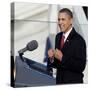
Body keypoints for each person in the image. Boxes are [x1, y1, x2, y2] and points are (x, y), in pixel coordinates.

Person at [47, 8, 86, 84]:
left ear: (71, 20)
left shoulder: (79, 40)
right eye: (59, 19)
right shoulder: (58, 36)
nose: (60, 22)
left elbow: (80, 66)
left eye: (63, 19)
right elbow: (58, 63)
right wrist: (52, 58)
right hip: (59, 82)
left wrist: (62, 58)